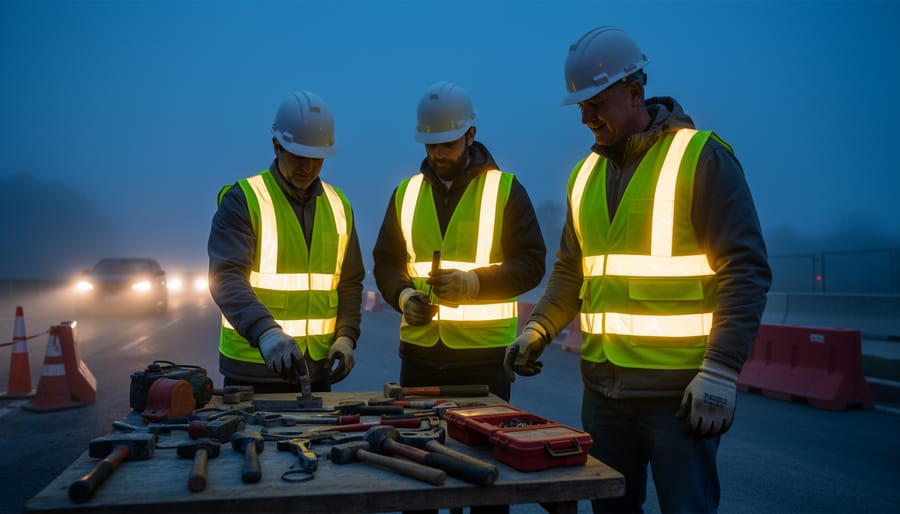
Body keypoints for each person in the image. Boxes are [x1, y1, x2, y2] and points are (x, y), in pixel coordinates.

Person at [505, 26, 772, 513]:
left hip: (679, 394)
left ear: (634, 92)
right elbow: (572, 269)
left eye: (596, 103)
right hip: (604, 393)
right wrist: (539, 329)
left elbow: (745, 269)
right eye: (580, 107)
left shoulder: (701, 157)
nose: (586, 118)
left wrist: (721, 369)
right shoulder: (584, 175)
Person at [373, 80, 546, 403]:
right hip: (418, 357)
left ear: (470, 135)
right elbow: (386, 263)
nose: (438, 154)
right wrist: (403, 296)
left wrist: (473, 284)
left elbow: (532, 264)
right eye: (430, 145)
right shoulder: (406, 194)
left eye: (448, 144)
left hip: (483, 361)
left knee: (481, 450)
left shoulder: (505, 190)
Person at [208, 91, 364, 394]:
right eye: (299, 156)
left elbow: (350, 281)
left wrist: (346, 336)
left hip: (317, 370)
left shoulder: (338, 205)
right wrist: (265, 333)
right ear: (277, 145)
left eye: (316, 158)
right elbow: (226, 277)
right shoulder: (243, 200)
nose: (308, 167)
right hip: (254, 368)